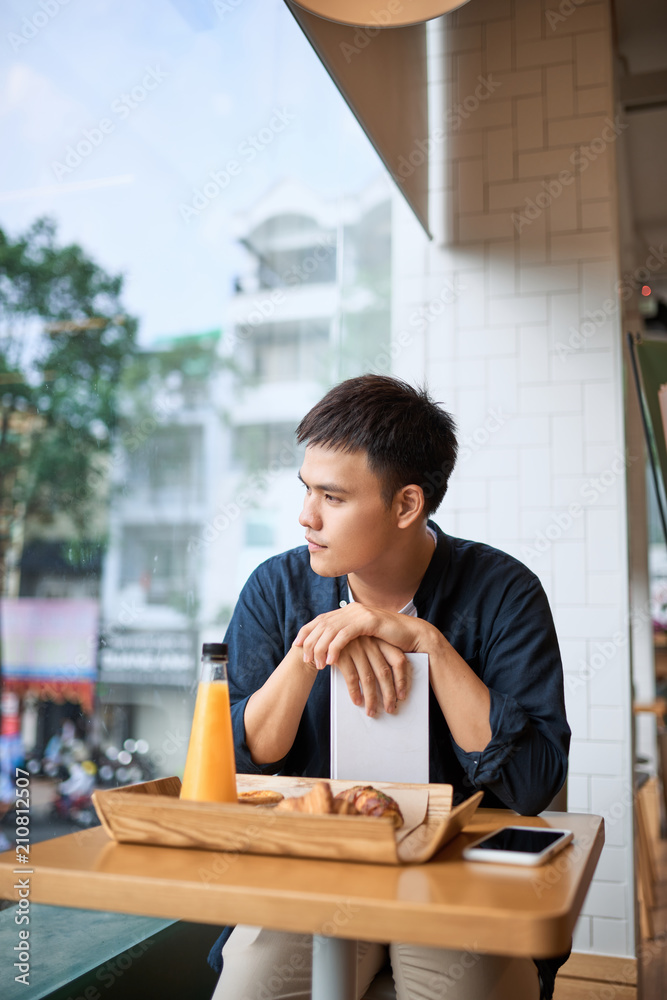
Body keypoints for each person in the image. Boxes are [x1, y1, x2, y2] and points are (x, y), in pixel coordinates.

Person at [209, 374, 570, 1000]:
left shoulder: (504, 593)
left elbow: (533, 783)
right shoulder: (277, 589)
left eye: (333, 497)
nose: (306, 516)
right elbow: (239, 765)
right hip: (315, 867)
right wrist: (313, 645)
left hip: (453, 873)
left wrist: (426, 641)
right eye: (305, 490)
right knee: (251, 985)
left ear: (407, 506)